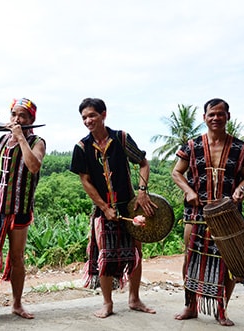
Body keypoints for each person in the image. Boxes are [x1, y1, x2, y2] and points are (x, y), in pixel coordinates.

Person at [171, 98, 244, 326]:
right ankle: (190, 306)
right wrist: (188, 191)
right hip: (196, 212)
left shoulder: (241, 148)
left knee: (229, 261)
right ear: (204, 118)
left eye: (220, 114)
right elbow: (177, 173)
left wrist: (240, 188)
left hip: (228, 214)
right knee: (191, 258)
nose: (216, 118)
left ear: (228, 116)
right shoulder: (191, 145)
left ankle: (221, 310)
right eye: (212, 114)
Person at [70, 97, 157, 318]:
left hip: (129, 206)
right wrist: (104, 207)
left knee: (135, 253)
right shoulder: (81, 147)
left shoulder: (121, 138)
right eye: (84, 117)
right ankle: (107, 303)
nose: (88, 120)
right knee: (105, 256)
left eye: (92, 115)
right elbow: (86, 180)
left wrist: (142, 193)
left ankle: (134, 298)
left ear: (103, 114)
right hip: (103, 210)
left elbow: (143, 163)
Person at [0, 98, 46, 322]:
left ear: (31, 120)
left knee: (17, 257)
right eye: (14, 114)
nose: (17, 119)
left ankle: (16, 303)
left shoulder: (37, 141)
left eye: (23, 116)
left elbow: (34, 166)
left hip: (19, 208)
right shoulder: (2, 140)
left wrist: (21, 137)